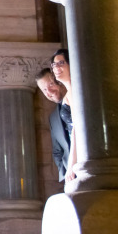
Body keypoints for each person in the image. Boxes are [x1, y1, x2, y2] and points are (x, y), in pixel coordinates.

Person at [36, 67, 71, 182]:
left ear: (59, 82)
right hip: (70, 177)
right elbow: (57, 151)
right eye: (44, 90)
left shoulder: (78, 101)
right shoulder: (53, 118)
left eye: (51, 85)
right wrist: (64, 173)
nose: (49, 92)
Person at [50, 48, 78, 182]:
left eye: (61, 63)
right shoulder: (69, 91)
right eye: (54, 64)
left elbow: (76, 129)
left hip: (79, 153)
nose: (56, 67)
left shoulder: (74, 89)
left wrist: (72, 164)